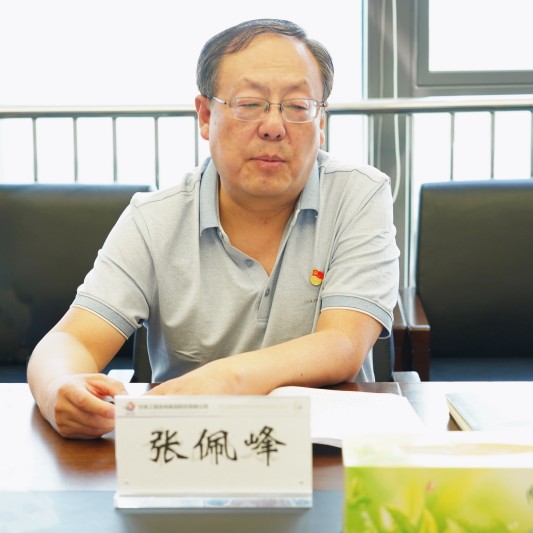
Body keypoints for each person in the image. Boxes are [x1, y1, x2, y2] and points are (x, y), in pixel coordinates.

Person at [27, 18, 399, 439]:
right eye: (250, 103)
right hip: (193, 448)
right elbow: (72, 340)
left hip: (323, 451)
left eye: (297, 106)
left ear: (321, 122)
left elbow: (343, 345)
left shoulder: (359, 195)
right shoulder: (155, 219)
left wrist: (226, 380)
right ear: (205, 116)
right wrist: (59, 388)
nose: (274, 126)